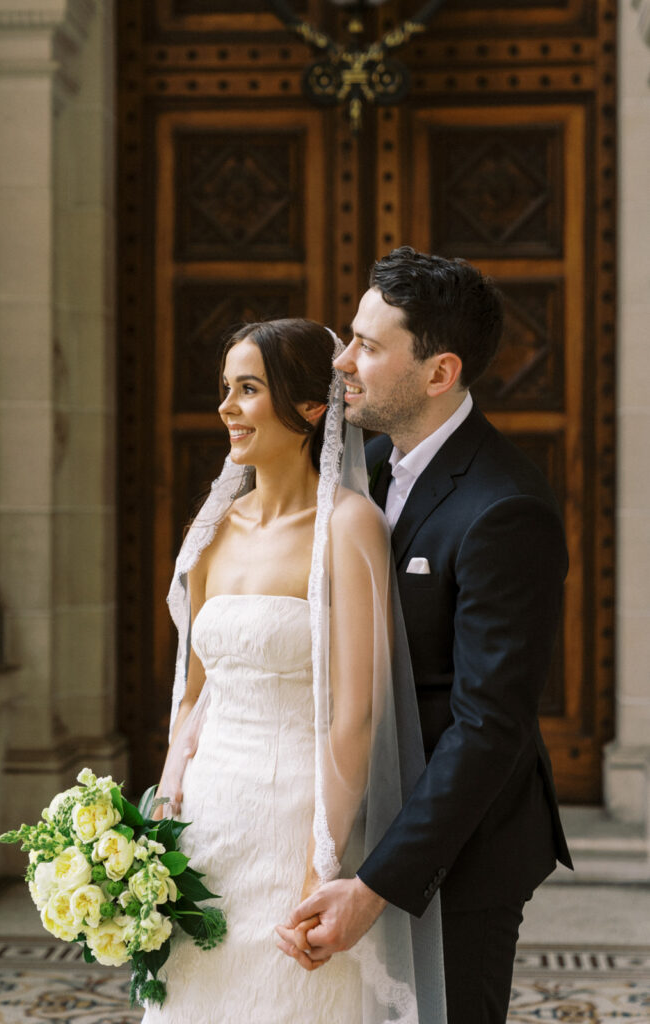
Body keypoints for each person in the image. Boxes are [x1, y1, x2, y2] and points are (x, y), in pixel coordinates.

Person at [278, 248, 573, 1024]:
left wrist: (377, 887)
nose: (342, 360)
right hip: (360, 829)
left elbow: (488, 726)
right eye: (351, 335)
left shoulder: (505, 509)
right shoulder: (363, 465)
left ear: (439, 373)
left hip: (461, 855)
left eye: (369, 347)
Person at [143, 318, 447, 1024]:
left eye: (247, 389)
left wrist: (321, 858)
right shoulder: (214, 527)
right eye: (225, 389)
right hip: (208, 825)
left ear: (312, 408)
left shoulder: (347, 526)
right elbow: (195, 690)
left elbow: (356, 714)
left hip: (293, 827)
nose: (225, 407)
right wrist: (162, 810)